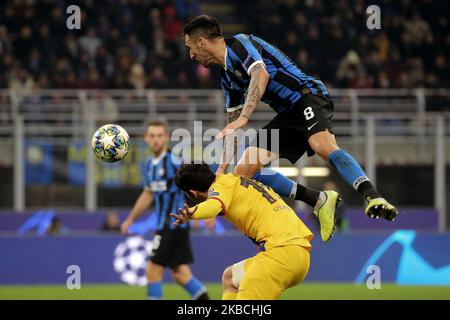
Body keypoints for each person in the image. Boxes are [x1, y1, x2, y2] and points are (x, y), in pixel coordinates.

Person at [182, 15, 398, 229]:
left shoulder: (239, 44)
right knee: (244, 170)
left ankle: (372, 196)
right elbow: (234, 127)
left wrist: (244, 118)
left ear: (202, 42)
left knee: (322, 146)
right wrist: (220, 172)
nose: (191, 55)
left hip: (307, 96)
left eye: (190, 47)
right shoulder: (227, 77)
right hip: (287, 114)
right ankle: (319, 200)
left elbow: (261, 74)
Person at [172, 163, 313, 300]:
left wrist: (192, 213)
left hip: (280, 255)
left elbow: (213, 206)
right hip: (299, 254)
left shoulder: (220, 189)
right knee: (231, 278)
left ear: (193, 193)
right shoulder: (231, 179)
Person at [121, 120, 210, 300]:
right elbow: (148, 194)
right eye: (152, 135)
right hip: (165, 225)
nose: (156, 140)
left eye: (160, 135)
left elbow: (196, 183)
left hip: (174, 224)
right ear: (146, 138)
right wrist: (131, 218)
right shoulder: (148, 164)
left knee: (153, 271)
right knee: (181, 274)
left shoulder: (174, 161)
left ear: (167, 138)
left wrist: (209, 210)